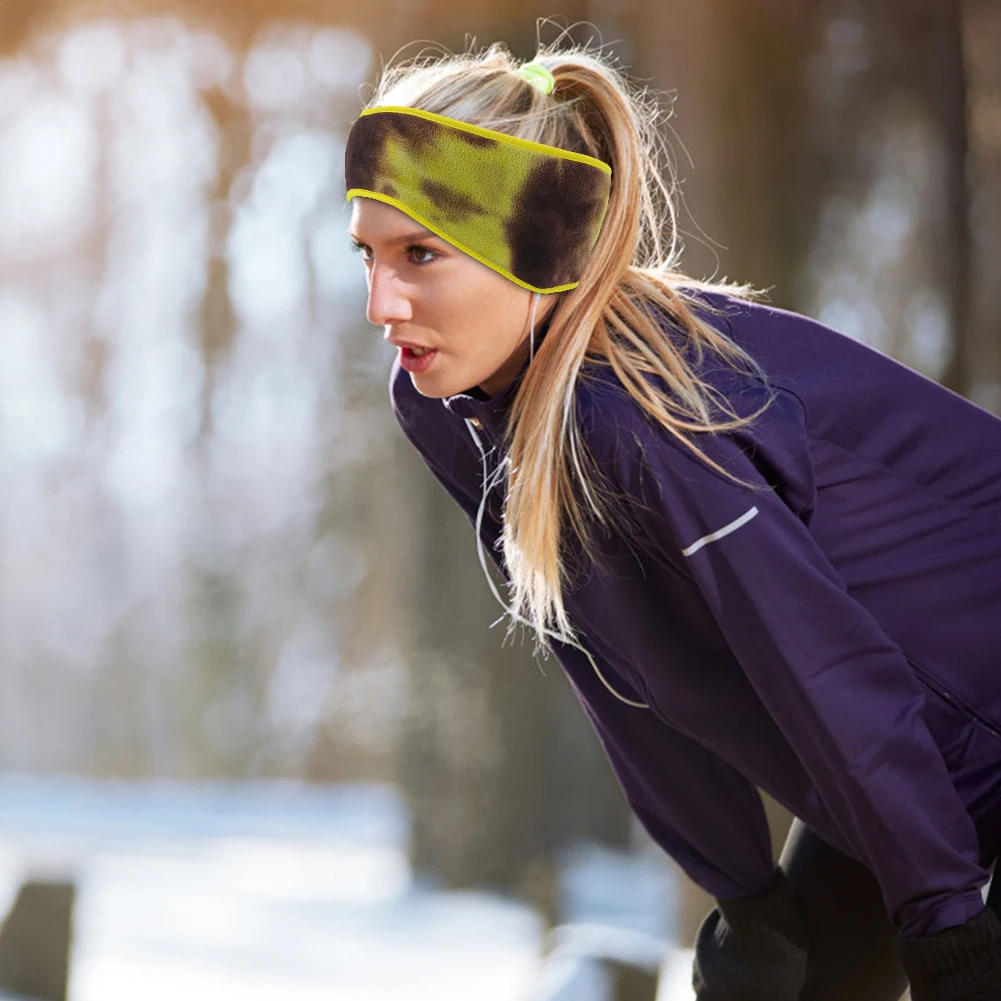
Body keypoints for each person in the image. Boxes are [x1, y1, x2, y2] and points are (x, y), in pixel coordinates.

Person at [343, 38, 1001, 1001]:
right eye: (366, 252)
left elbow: (816, 662)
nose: (379, 302)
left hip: (911, 724)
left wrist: (946, 920)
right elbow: (614, 667)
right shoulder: (451, 407)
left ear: (538, 252)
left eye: (421, 255)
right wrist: (747, 892)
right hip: (913, 749)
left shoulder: (643, 417)